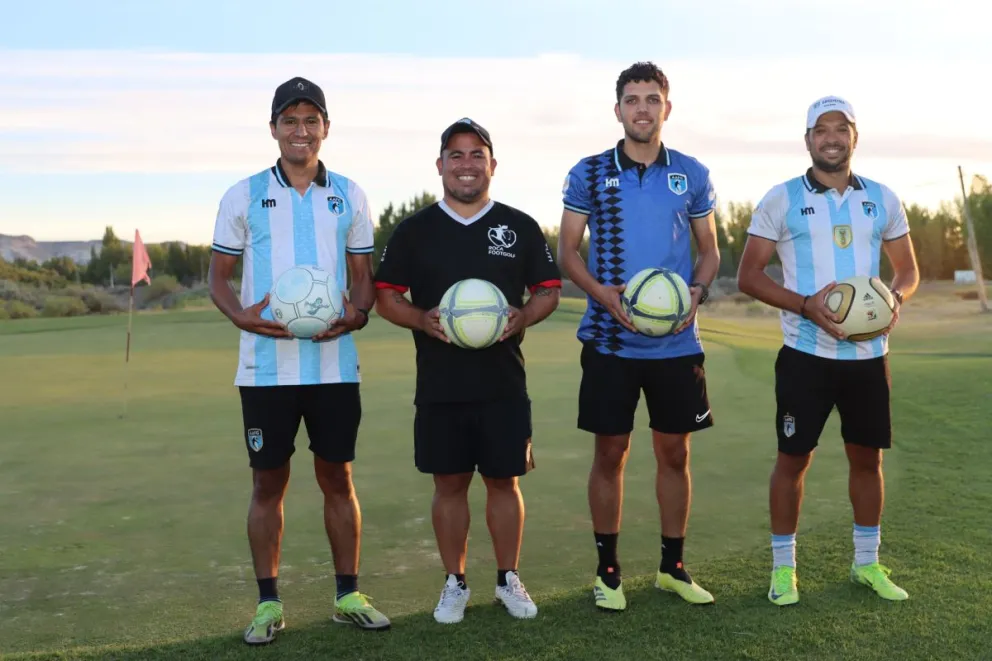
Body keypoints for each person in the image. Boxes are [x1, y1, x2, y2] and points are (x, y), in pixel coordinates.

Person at [208, 76, 391, 644]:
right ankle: (268, 604)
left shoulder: (350, 195)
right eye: (290, 120)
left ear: (326, 128)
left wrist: (359, 315)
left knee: (338, 477)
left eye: (311, 120)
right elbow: (218, 279)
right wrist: (241, 317)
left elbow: (363, 279)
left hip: (334, 366)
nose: (301, 130)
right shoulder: (242, 195)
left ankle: (348, 594)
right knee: (268, 484)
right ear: (273, 129)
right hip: (265, 369)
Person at [373, 118, 562, 624]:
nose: (466, 164)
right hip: (440, 384)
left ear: (492, 165)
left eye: (477, 154)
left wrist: (524, 315)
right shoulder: (414, 231)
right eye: (455, 155)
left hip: (504, 383)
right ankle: (454, 582)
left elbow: (548, 290)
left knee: (505, 482)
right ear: (439, 165)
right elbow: (385, 296)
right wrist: (420, 319)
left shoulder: (519, 226)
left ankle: (507, 579)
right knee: (449, 485)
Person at [736, 95, 920, 606]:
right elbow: (749, 275)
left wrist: (895, 299)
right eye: (822, 130)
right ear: (808, 140)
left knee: (867, 460)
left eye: (841, 129)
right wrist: (805, 305)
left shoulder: (882, 198)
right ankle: (783, 571)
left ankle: (867, 563)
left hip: (868, 357)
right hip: (805, 355)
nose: (832, 138)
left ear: (854, 137)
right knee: (793, 461)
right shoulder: (782, 198)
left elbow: (908, 270)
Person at [557, 61, 721, 612]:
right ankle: (608, 573)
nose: (642, 109)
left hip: (677, 342)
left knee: (675, 453)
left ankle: (673, 568)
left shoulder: (691, 174)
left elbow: (709, 251)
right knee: (611, 453)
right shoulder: (589, 172)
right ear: (618, 109)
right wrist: (603, 295)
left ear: (666, 108)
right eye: (632, 99)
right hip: (610, 339)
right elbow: (567, 253)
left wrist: (697, 292)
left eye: (652, 99)